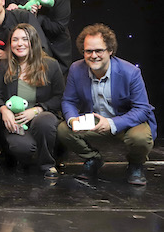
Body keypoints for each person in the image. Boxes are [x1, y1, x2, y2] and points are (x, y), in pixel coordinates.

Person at [58, 24, 156, 185]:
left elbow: (142, 109)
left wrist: (111, 123)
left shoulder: (130, 72)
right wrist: (73, 119)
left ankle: (135, 165)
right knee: (63, 129)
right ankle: (93, 159)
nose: (93, 55)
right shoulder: (76, 69)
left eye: (99, 51)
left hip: (126, 122)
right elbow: (68, 100)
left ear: (110, 50)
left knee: (140, 138)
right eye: (88, 51)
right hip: (94, 121)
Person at [0, 23, 64, 179]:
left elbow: (59, 97)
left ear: (33, 41)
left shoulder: (51, 65)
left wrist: (37, 110)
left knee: (45, 121)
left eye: (25, 39)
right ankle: (20, 157)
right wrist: (4, 109)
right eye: (15, 40)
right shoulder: (6, 65)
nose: (19, 44)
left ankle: (47, 165)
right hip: (16, 121)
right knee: (23, 148)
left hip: (41, 117)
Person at [13, 0, 71, 74]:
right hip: (27, 47)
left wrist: (37, 16)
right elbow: (13, 1)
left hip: (52, 50)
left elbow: (59, 28)